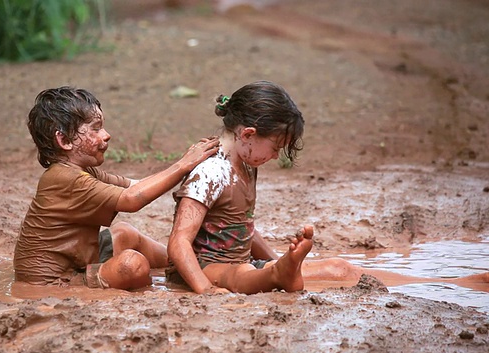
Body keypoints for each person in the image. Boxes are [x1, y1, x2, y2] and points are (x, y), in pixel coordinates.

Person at [166, 80, 489, 295]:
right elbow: (179, 242)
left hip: (242, 265)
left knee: (339, 268)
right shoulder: (210, 171)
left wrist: (281, 258)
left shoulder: (245, 162)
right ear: (248, 135)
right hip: (207, 271)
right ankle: (279, 274)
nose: (277, 156)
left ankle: (449, 282)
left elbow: (241, 229)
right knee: (240, 276)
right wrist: (205, 292)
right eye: (276, 147)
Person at [14, 86, 220, 290]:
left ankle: (180, 263)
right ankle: (162, 286)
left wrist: (187, 167)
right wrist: (183, 164)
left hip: (77, 261)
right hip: (55, 280)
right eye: (96, 128)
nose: (106, 135)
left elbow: (136, 186)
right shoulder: (64, 178)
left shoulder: (82, 171)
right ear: (65, 140)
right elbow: (132, 199)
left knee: (124, 233)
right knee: (132, 264)